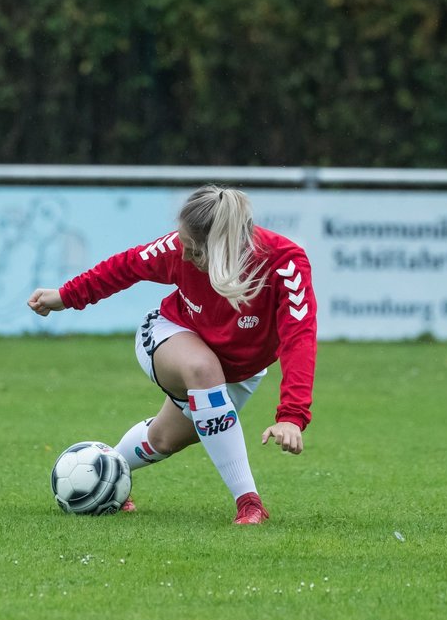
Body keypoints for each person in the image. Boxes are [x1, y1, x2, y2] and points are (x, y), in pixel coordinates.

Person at [27, 185, 317, 525]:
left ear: (222, 248)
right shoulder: (179, 247)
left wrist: (292, 415)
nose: (183, 256)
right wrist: (66, 296)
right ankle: (249, 503)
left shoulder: (285, 264)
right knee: (202, 368)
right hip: (168, 334)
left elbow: (300, 337)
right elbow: (126, 266)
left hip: (239, 372)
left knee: (164, 439)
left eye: (194, 252)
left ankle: (104, 474)